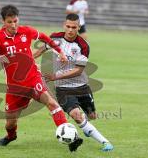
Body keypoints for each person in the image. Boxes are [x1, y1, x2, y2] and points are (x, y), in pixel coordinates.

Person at [0, 5, 83, 152]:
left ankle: (71, 139)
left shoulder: (26, 31)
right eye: (10, 22)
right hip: (15, 88)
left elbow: (45, 38)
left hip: (33, 79)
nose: (13, 25)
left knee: (52, 104)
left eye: (15, 21)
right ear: (3, 21)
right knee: (10, 123)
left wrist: (60, 52)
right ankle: (11, 136)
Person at [34, 13, 114, 152]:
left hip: (81, 86)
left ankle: (86, 127)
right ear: (64, 25)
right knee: (77, 116)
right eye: (68, 26)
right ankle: (105, 142)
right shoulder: (55, 38)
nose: (70, 30)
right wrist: (24, 58)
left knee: (91, 116)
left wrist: (55, 76)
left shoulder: (83, 45)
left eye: (74, 27)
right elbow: (40, 51)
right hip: (63, 89)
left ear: (79, 27)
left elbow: (78, 70)